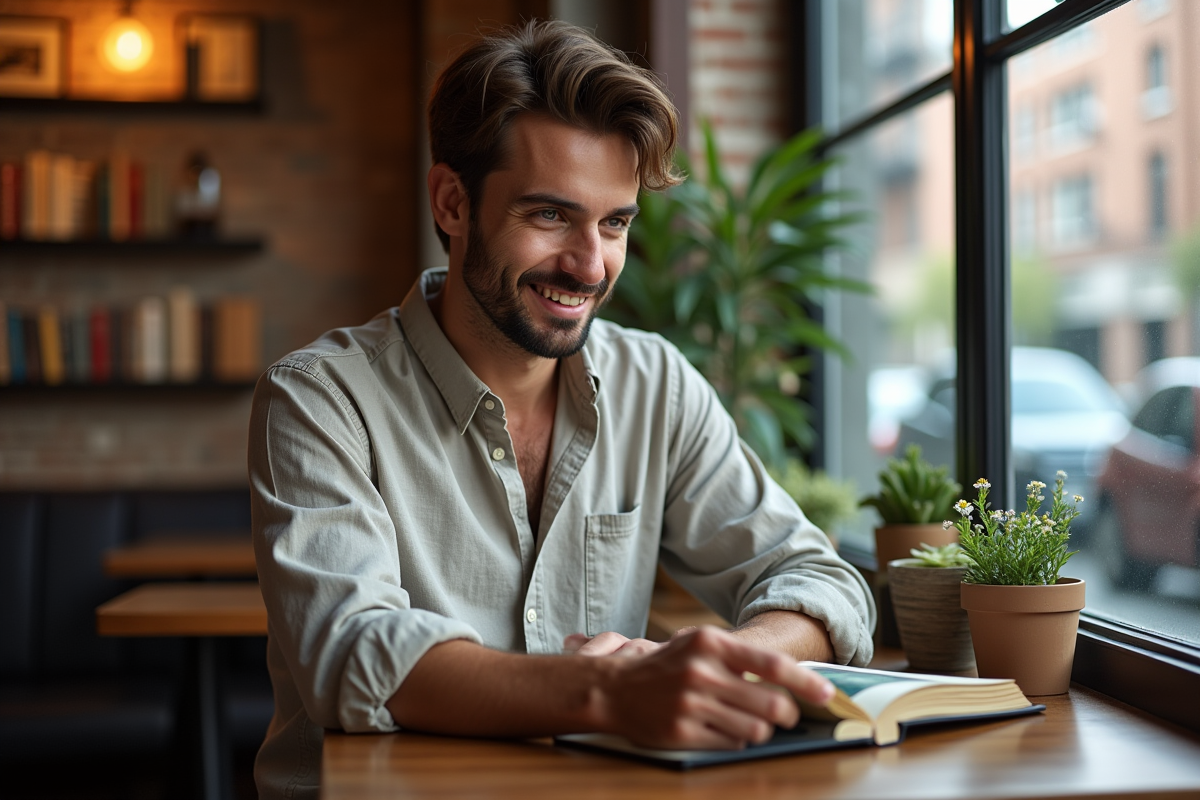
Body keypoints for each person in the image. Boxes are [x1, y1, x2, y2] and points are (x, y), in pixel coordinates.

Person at [249, 19, 875, 799]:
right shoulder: (320, 397)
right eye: (551, 216)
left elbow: (817, 579)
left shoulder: (657, 383)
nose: (590, 265)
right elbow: (352, 656)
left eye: (614, 222)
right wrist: (612, 695)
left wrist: (719, 667)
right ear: (452, 202)